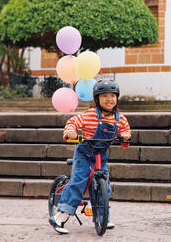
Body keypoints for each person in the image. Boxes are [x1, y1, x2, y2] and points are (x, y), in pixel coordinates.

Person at [50, 79, 131, 234]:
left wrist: (126, 136)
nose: (109, 99)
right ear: (97, 99)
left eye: (113, 96)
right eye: (104, 96)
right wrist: (71, 132)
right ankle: (60, 216)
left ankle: (102, 218)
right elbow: (72, 122)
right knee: (79, 182)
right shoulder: (90, 115)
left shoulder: (119, 118)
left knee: (104, 187)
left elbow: (126, 131)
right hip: (84, 155)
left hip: (101, 157)